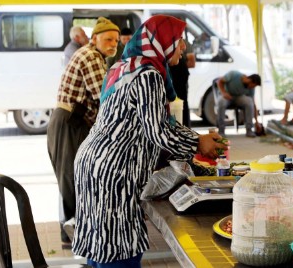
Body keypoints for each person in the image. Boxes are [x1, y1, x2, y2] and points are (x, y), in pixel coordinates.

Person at [72, 16, 223, 267]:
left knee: (101, 247)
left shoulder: (122, 67)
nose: (184, 46)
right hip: (114, 170)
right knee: (119, 251)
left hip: (92, 163)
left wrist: (195, 139)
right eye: (179, 40)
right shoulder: (148, 75)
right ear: (161, 42)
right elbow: (159, 132)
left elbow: (146, 122)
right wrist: (198, 143)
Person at [47, 17, 120, 247]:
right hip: (69, 122)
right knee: (73, 178)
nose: (113, 44)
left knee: (72, 177)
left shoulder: (93, 55)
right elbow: (104, 97)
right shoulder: (90, 56)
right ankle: (75, 237)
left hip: (70, 121)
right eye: (108, 39)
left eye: (116, 40)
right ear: (94, 38)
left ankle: (76, 235)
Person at [215, 71, 262, 137]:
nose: (252, 88)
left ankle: (249, 130)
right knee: (221, 102)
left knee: (249, 102)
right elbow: (219, 81)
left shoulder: (251, 89)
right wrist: (224, 93)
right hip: (226, 95)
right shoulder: (233, 74)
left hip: (238, 97)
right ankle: (221, 130)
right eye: (253, 86)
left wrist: (257, 122)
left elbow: (253, 104)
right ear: (250, 80)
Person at [169, 39, 196, 127]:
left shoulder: (185, 43)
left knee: (180, 104)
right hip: (175, 73)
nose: (184, 47)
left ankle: (183, 128)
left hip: (180, 74)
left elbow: (192, 63)